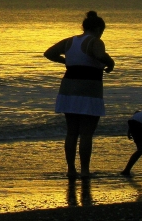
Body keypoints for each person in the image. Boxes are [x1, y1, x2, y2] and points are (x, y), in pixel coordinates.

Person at [44, 10, 115, 179]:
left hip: (68, 88)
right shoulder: (95, 41)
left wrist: (67, 61)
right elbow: (99, 55)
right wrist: (111, 62)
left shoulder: (70, 41)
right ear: (99, 29)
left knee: (71, 132)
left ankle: (71, 169)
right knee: (86, 133)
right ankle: (84, 171)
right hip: (89, 88)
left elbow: (49, 53)